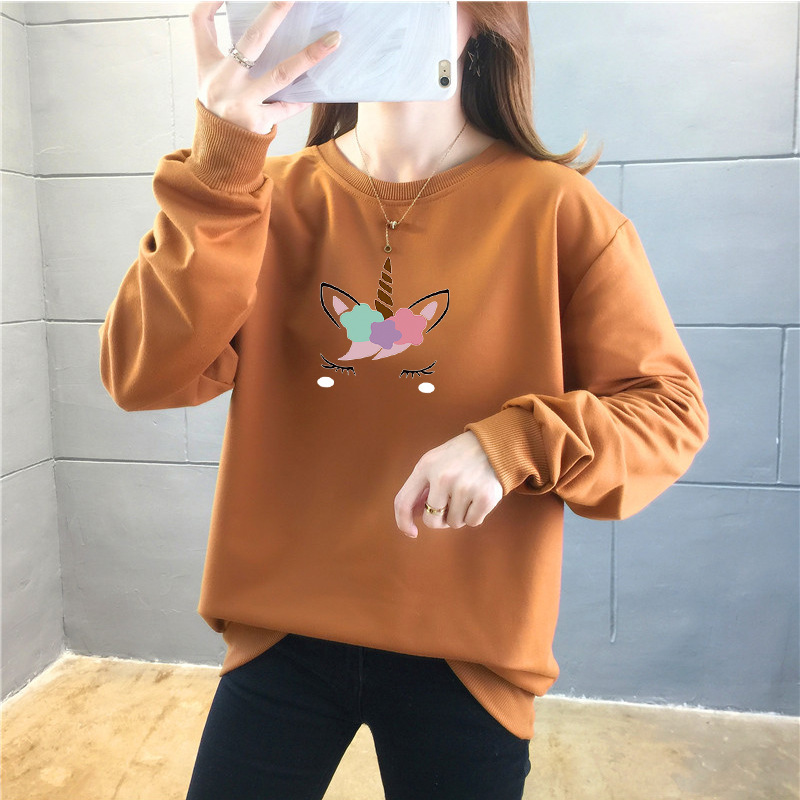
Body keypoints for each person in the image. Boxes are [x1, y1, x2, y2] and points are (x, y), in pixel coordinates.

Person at [98, 1, 710, 798]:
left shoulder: (558, 211)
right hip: (281, 630)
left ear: (480, 19)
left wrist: (512, 444)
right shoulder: (259, 197)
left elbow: (668, 409)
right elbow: (143, 373)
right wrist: (222, 161)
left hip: (468, 651)